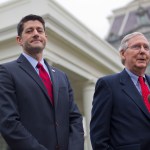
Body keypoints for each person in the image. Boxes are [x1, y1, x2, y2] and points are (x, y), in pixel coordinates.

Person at [0, 14, 84, 150]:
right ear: (19, 40)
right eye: (29, 31)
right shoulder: (6, 72)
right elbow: (8, 122)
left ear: (46, 38)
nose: (35, 34)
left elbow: (75, 118)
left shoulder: (62, 76)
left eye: (40, 30)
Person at [90, 32, 150, 150]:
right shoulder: (108, 85)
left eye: (146, 47)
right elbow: (98, 139)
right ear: (123, 54)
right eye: (137, 46)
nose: (142, 51)